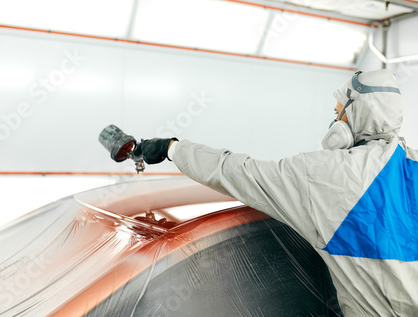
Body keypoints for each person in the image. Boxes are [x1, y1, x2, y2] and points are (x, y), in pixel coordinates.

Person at [134, 69, 418, 316]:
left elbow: (233, 171)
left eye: (337, 113)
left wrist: (172, 148)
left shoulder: (321, 175)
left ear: (355, 113)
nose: (334, 123)